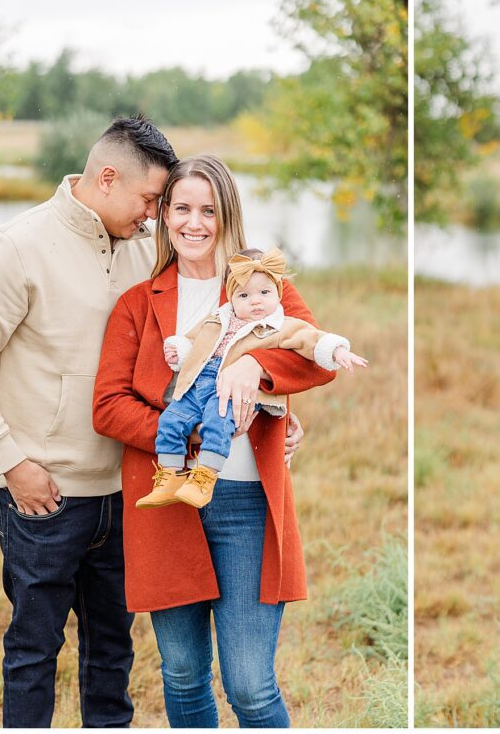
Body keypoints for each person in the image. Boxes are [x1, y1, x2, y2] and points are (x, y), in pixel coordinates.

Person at [0, 116, 177, 727]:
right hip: (44, 499)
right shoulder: (18, 246)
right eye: (149, 199)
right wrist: (12, 463)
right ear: (108, 176)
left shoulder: (147, 249)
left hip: (125, 492)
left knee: (114, 653)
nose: (155, 215)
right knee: (34, 652)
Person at [92, 154, 336, 727]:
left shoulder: (266, 289)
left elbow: (315, 354)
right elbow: (108, 407)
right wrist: (194, 430)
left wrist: (255, 368)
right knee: (181, 673)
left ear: (228, 214)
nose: (194, 223)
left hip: (247, 506)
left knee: (250, 685)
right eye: (182, 209)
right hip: (166, 498)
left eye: (209, 209)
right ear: (165, 215)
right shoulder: (139, 302)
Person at [143, 247, 367, 509]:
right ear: (231, 298)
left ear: (278, 293)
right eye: (244, 295)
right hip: (197, 384)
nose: (256, 301)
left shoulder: (281, 326)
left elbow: (310, 338)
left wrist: (337, 349)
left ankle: (205, 476)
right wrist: (180, 349)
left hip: (228, 392)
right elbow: (195, 339)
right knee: (171, 419)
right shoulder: (219, 318)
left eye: (264, 293)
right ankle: (169, 475)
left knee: (218, 421)